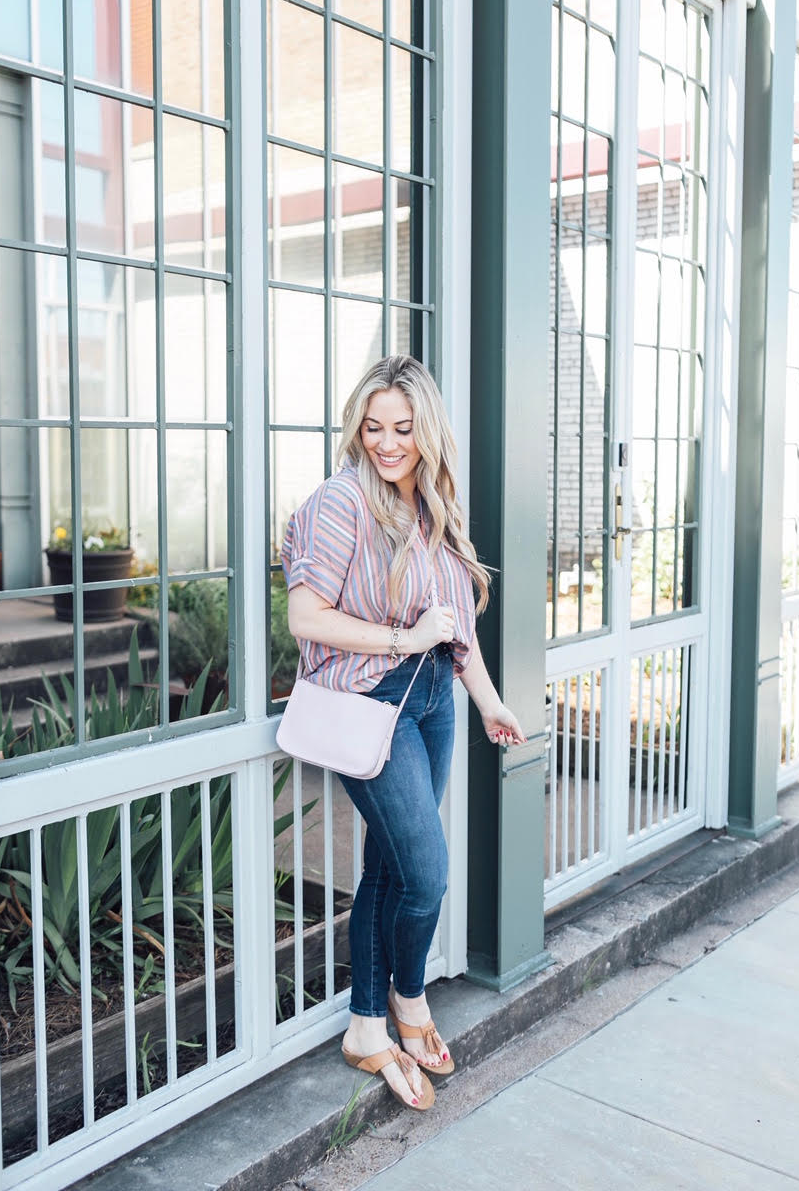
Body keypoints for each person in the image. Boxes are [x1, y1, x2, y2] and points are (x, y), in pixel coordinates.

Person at [281, 354, 526, 1111]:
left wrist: (488, 700)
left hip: (433, 701)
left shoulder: (432, 507)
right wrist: (402, 642)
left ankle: (363, 1024)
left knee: (390, 868)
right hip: (372, 696)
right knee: (426, 875)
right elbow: (306, 617)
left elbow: (454, 629)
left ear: (428, 432)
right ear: (358, 426)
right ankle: (408, 1000)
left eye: (404, 428)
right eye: (374, 426)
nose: (387, 443)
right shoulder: (340, 503)